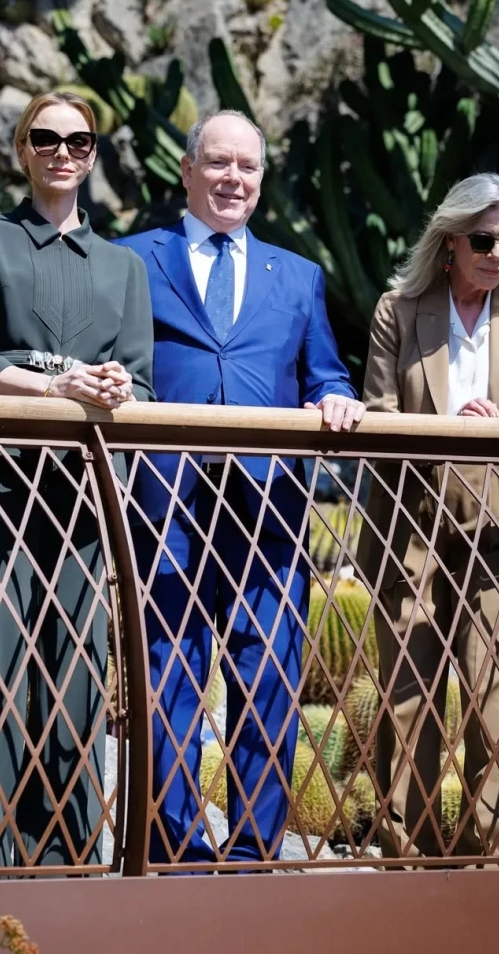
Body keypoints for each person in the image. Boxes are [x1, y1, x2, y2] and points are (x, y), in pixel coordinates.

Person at [117, 110, 365, 865]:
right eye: (218, 163)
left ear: (261, 179)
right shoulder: (131, 259)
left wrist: (336, 397)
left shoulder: (298, 275)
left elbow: (324, 372)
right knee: (170, 669)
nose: (233, 178)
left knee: (269, 675)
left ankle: (256, 849)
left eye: (247, 167)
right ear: (187, 170)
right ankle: (174, 844)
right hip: (166, 499)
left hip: (269, 504)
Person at [0, 91, 155, 868]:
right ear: (22, 149)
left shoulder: (125, 267)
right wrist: (57, 385)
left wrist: (116, 389)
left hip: (84, 484)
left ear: (93, 154)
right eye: (46, 137)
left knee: (78, 663)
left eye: (79, 140)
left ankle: (72, 848)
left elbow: (142, 382)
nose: (63, 152)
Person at [356, 172, 499, 861]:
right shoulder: (400, 309)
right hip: (410, 515)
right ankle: (405, 850)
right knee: (408, 692)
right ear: (451, 239)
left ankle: (491, 853)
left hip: (497, 523)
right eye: (484, 240)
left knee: (489, 694)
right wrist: (447, 426)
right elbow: (378, 414)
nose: (498, 254)